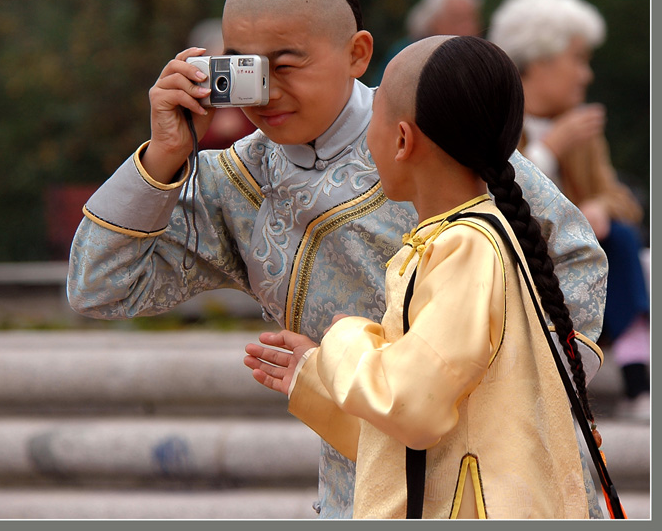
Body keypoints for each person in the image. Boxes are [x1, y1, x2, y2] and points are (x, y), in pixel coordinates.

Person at [67, 0, 607, 519]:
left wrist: (541, 400)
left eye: (287, 64)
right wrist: (162, 158)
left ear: (358, 53)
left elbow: (571, 256)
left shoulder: (432, 132)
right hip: (360, 488)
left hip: (505, 486)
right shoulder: (233, 182)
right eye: (245, 68)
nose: (266, 92)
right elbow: (100, 286)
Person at [244, 35, 602, 518]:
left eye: (374, 118)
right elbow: (418, 444)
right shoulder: (460, 239)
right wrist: (311, 378)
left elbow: (413, 408)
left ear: (402, 140)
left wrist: (341, 340)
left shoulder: (466, 247)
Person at [488, 0, 650, 421]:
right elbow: (485, 198)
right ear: (539, 59)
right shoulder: (492, 117)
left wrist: (599, 208)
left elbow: (622, 199)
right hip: (515, 263)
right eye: (578, 59)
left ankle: (638, 379)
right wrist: (549, 151)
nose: (587, 75)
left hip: (580, 267)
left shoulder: (582, 127)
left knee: (619, 233)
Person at [371, 0, 483, 84]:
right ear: (432, 24)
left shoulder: (482, 57)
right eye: (456, 20)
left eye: (473, 19)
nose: (468, 28)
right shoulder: (405, 56)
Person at [186, 18, 256, 150]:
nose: (222, 73)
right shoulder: (192, 93)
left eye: (228, 63)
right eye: (214, 65)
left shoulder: (250, 90)